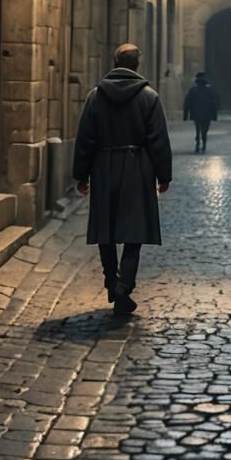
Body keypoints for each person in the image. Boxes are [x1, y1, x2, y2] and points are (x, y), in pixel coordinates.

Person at [73, 43, 172, 316]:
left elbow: (86, 138)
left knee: (105, 228)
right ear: (137, 65)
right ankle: (124, 286)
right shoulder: (149, 97)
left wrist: (81, 174)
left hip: (103, 167)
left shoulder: (95, 96)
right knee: (134, 230)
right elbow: (158, 140)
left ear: (115, 63)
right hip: (137, 167)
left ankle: (111, 279)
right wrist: (164, 175)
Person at [183, 70, 218, 153]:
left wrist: (185, 115)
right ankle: (203, 142)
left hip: (196, 113)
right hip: (207, 113)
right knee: (205, 129)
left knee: (197, 128)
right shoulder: (210, 90)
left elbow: (187, 102)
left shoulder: (193, 90)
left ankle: (198, 142)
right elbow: (214, 103)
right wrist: (215, 115)